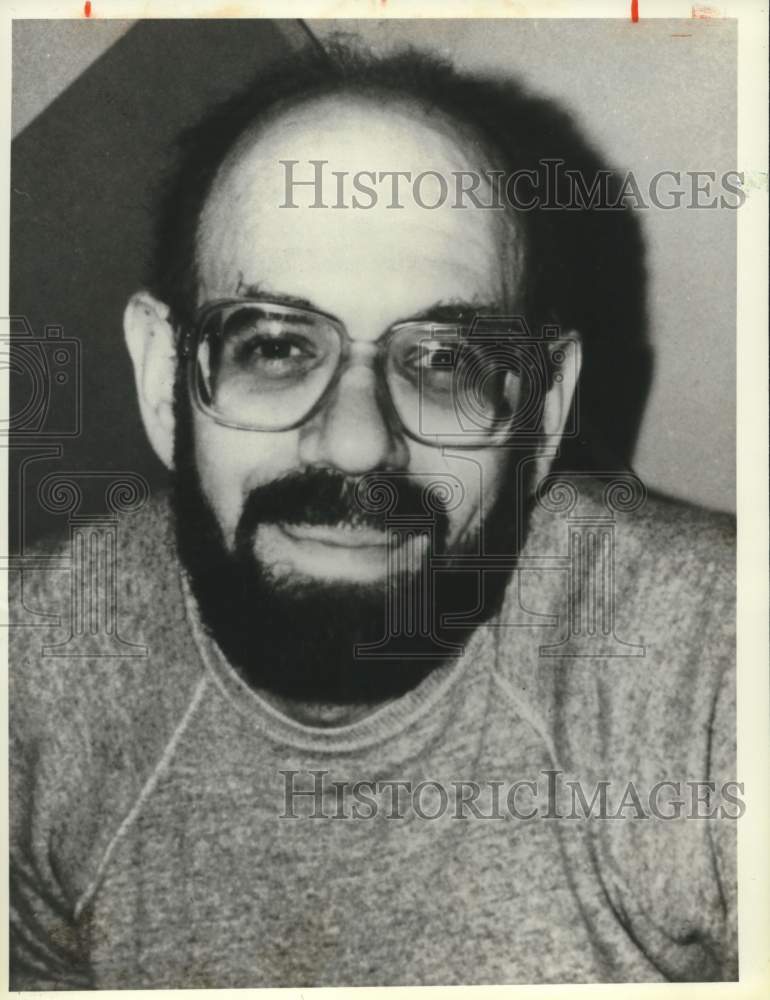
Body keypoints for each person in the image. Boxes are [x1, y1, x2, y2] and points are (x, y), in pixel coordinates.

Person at [9, 46, 737, 989]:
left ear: (544, 413)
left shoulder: (710, 667)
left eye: (444, 360)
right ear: (162, 380)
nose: (356, 445)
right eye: (272, 344)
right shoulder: (26, 677)